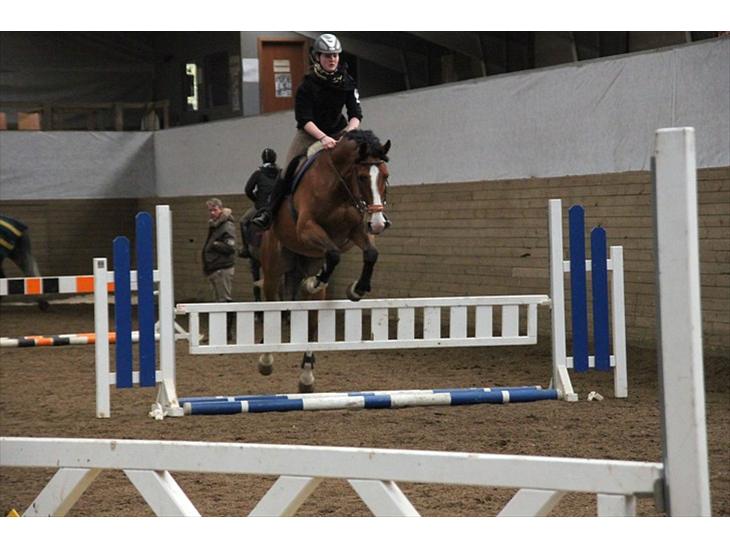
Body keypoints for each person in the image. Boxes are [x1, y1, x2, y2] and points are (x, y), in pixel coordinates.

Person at [252, 33, 363, 229]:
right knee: (288, 169)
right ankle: (268, 212)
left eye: (335, 55)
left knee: (364, 160)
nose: (332, 59)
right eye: (327, 56)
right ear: (317, 57)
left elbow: (355, 115)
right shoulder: (307, 85)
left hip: (340, 131)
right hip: (310, 134)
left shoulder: (347, 82)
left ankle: (374, 210)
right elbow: (304, 120)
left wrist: (348, 132)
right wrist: (323, 138)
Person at [0, 214, 49, 311]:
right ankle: (41, 298)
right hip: (10, 231)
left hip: (16, 234)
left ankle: (41, 299)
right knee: (28, 266)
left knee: (28, 266)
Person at [238, 148, 280, 258]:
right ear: (275, 158)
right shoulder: (280, 173)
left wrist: (256, 200)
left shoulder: (258, 173)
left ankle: (245, 249)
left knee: (243, 221)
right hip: (277, 206)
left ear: (262, 159)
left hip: (261, 207)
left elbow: (248, 190)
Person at [202, 198, 237, 303]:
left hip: (222, 269)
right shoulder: (215, 225)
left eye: (215, 210)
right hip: (215, 268)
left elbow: (231, 247)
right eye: (210, 210)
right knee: (217, 301)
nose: (212, 213)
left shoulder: (227, 225)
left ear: (221, 209)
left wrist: (215, 244)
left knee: (223, 301)